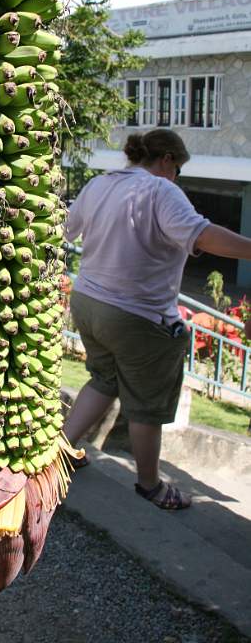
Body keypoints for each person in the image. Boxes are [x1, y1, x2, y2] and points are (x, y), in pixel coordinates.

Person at [64, 129, 251, 510]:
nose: (177, 176)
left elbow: (67, 230)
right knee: (147, 406)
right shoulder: (161, 190)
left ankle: (59, 454)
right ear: (166, 159)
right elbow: (201, 235)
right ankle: (150, 485)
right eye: (177, 168)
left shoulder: (99, 184)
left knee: (104, 378)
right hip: (137, 316)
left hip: (87, 302)